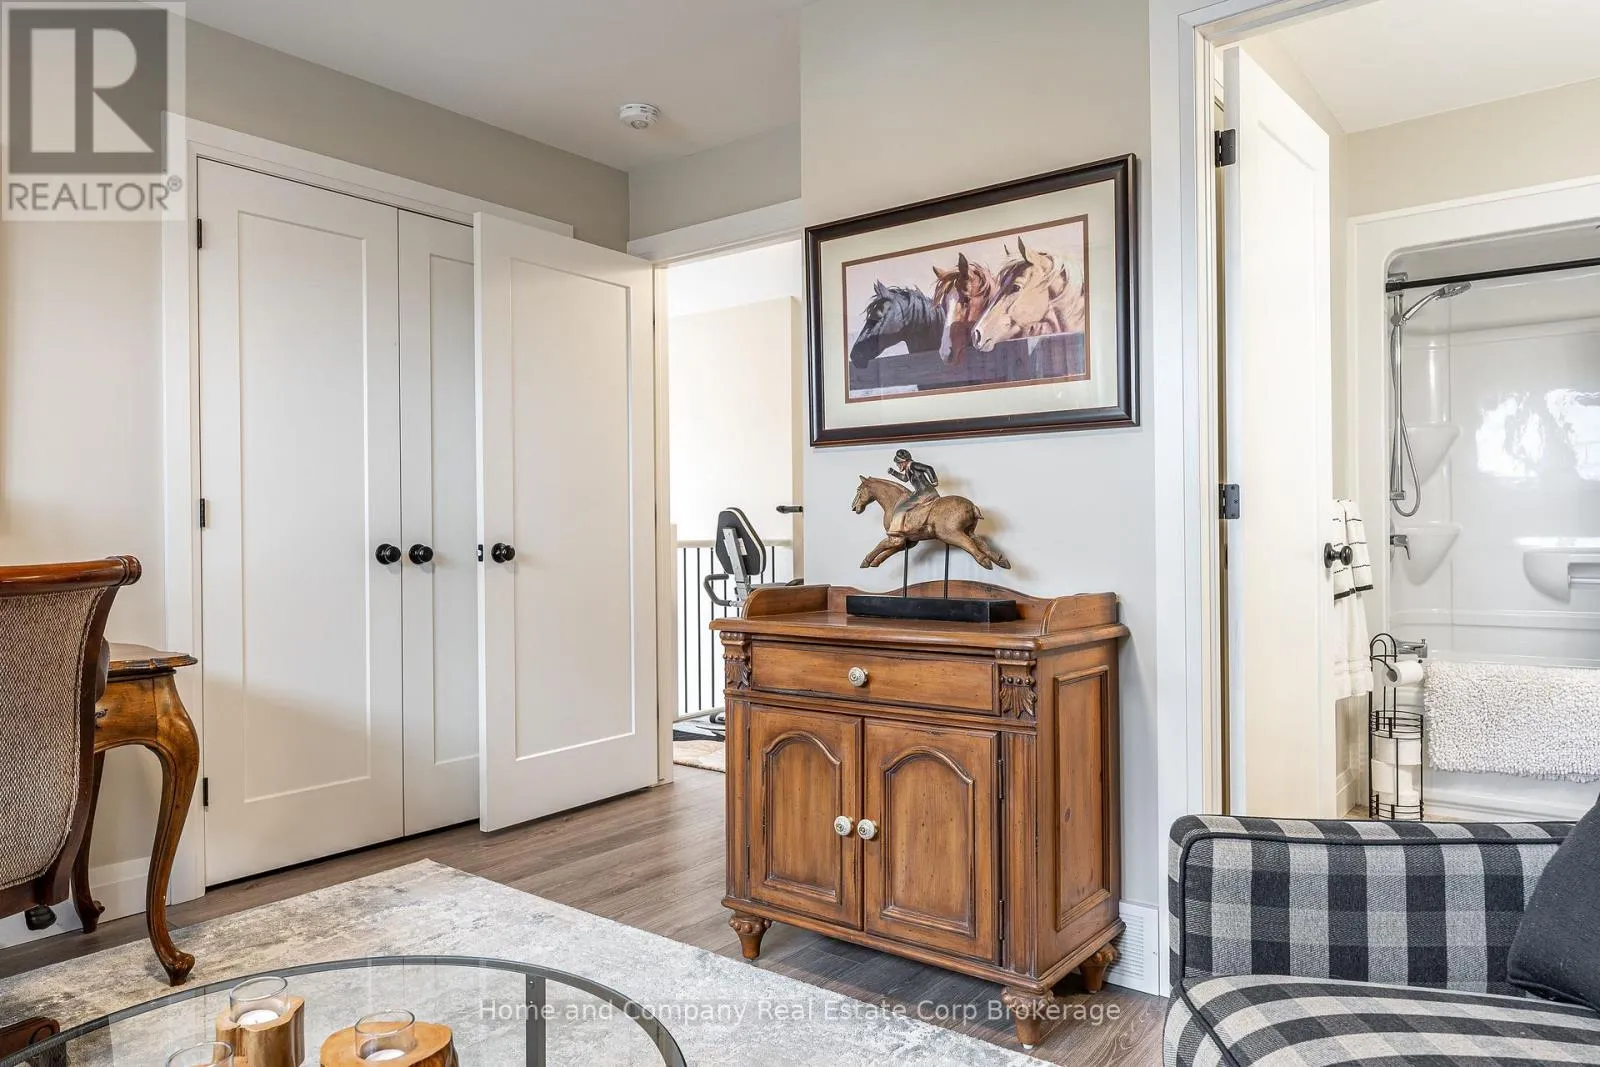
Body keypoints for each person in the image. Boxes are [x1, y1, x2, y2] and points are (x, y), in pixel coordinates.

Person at [887, 449, 939, 533]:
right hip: (922, 492)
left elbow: (928, 468)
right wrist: (893, 472)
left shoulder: (912, 465)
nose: (897, 465)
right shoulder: (908, 468)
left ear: (904, 461)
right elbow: (905, 478)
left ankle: (896, 530)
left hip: (924, 493)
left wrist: (934, 481)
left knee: (901, 508)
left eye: (898, 463)